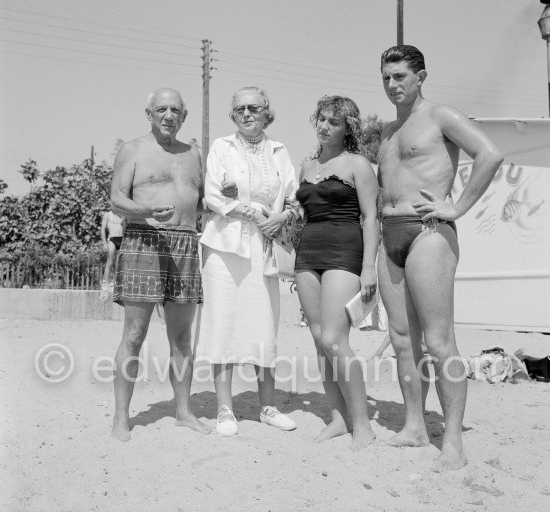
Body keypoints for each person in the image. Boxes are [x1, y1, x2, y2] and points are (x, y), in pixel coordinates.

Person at [376, 45, 503, 471]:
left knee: (438, 340)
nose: (393, 85)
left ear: (421, 76)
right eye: (387, 77)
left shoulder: (440, 115)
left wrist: (458, 207)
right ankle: (414, 425)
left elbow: (490, 154)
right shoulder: (390, 131)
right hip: (389, 237)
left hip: (428, 233)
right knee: (401, 340)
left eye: (400, 77)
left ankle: (452, 438)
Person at [197, 87, 299, 437]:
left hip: (264, 246)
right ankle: (225, 410)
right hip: (224, 248)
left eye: (253, 107)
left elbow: (293, 195)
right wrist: (252, 212)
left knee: (264, 325)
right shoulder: (221, 148)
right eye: (239, 108)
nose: (246, 113)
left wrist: (282, 216)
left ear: (266, 112)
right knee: (222, 322)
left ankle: (267, 407)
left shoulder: (279, 151)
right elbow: (212, 194)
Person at [109, 87, 209, 441]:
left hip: (184, 243)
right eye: (161, 109)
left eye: (176, 110)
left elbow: (200, 203)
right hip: (143, 239)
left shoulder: (193, 154)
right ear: (148, 113)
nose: (169, 115)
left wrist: (218, 200)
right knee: (134, 335)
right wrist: (146, 211)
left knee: (182, 338)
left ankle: (183, 411)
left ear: (184, 116)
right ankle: (121, 418)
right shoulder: (133, 149)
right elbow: (117, 199)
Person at [294, 95, 379, 451]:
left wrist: (369, 266)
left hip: (345, 249)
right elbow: (302, 213)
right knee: (317, 338)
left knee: (334, 339)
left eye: (334, 122)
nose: (324, 126)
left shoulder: (358, 164)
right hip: (308, 250)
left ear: (348, 128)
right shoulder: (306, 164)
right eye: (321, 119)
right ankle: (338, 418)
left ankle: (363, 425)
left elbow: (371, 217)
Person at [100, 210, 124, 293]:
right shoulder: (108, 215)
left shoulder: (122, 215)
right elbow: (103, 229)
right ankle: (105, 283)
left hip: (121, 238)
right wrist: (104, 243)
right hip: (112, 239)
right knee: (110, 262)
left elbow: (125, 228)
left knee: (119, 263)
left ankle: (115, 283)